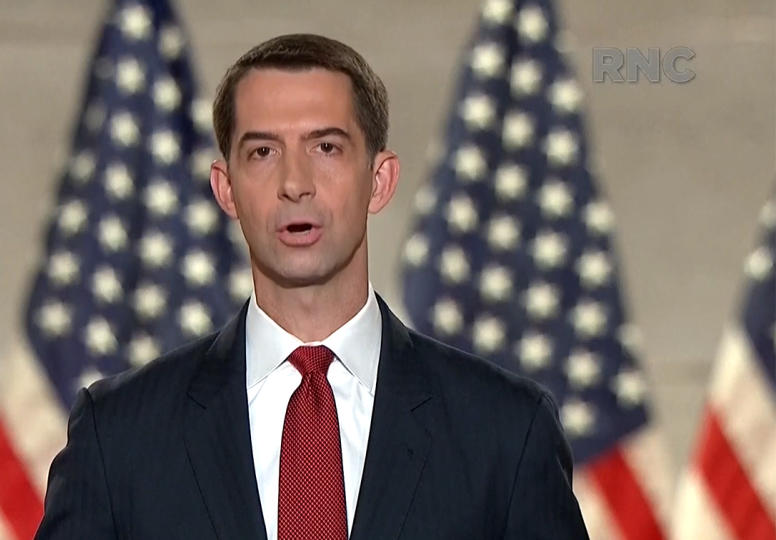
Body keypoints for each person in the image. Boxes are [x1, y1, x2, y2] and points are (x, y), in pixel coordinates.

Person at [35, 33, 589, 540]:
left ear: (379, 180)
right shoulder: (119, 437)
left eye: (325, 147)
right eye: (262, 152)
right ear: (226, 190)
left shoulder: (506, 432)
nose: (295, 184)